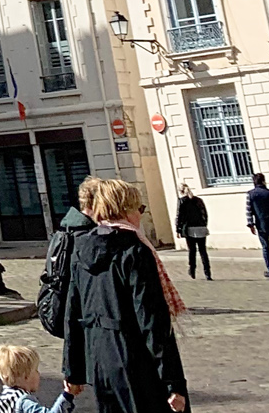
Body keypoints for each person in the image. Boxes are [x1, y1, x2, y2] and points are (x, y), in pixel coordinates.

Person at [61, 177, 188, 413]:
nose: (141, 215)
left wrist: (73, 369)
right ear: (125, 210)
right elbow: (152, 321)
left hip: (100, 359)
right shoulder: (134, 251)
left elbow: (73, 313)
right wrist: (173, 382)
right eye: (139, 208)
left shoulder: (81, 248)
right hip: (136, 359)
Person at [0, 343, 75, 413]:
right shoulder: (24, 402)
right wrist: (67, 395)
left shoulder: (4, 400)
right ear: (26, 376)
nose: (38, 374)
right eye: (35, 370)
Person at [174, 185, 210, 280]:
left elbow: (179, 215)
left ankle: (192, 270)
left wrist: (178, 229)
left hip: (189, 228)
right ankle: (208, 273)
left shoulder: (182, 201)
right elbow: (204, 213)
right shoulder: (198, 200)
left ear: (180, 191)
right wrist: (204, 224)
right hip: (201, 227)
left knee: (192, 250)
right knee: (203, 251)